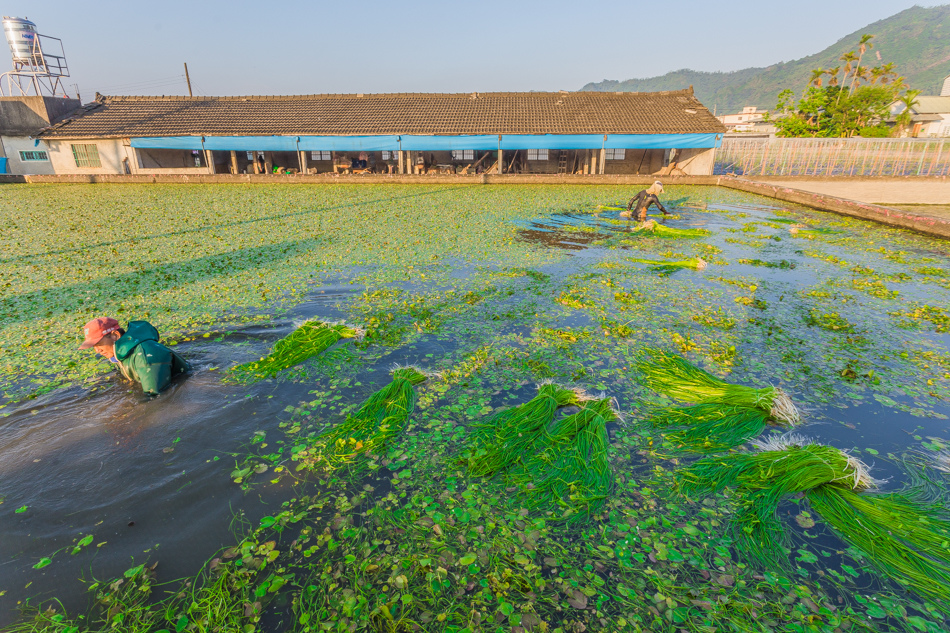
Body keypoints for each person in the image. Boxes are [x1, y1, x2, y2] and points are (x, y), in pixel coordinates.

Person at [80, 317, 189, 395]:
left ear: (115, 335)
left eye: (99, 344)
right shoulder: (118, 353)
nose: (97, 350)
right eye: (93, 346)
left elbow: (156, 396)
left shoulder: (145, 357)